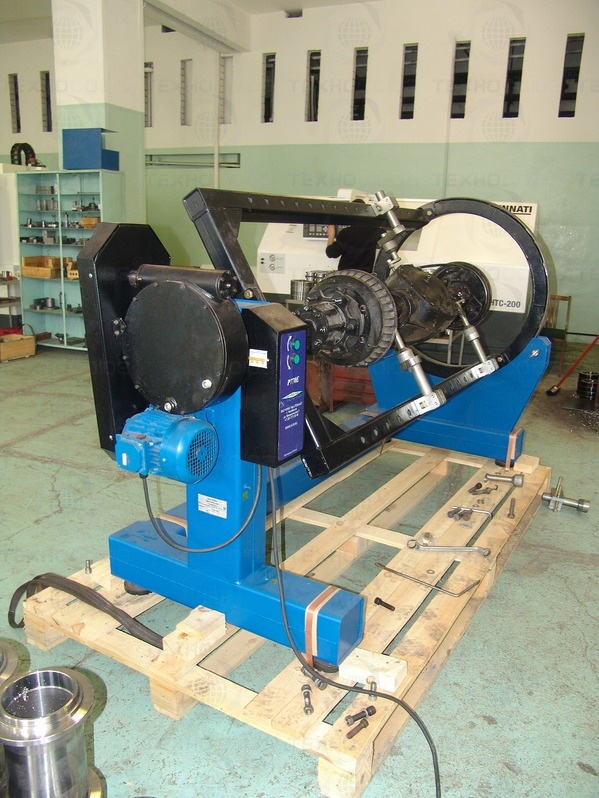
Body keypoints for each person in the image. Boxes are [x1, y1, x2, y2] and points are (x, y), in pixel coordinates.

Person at [325, 198, 384, 273]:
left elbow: (331, 253)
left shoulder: (346, 233)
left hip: (347, 275)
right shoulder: (376, 231)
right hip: (365, 276)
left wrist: (331, 235)